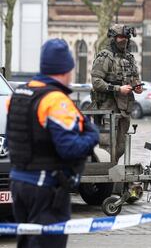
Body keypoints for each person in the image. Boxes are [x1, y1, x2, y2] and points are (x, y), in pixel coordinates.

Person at [7, 39, 99, 248]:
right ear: (64, 70)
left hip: (19, 184)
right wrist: (92, 135)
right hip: (45, 188)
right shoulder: (55, 100)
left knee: (27, 243)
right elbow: (69, 148)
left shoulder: (19, 94)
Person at [91, 24, 142, 161]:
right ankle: (103, 176)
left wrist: (137, 86)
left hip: (124, 109)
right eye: (120, 37)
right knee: (106, 146)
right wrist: (118, 89)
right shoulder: (105, 57)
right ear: (113, 38)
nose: (123, 40)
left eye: (126, 37)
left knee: (120, 147)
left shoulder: (129, 58)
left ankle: (113, 172)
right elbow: (96, 82)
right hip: (107, 108)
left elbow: (135, 78)